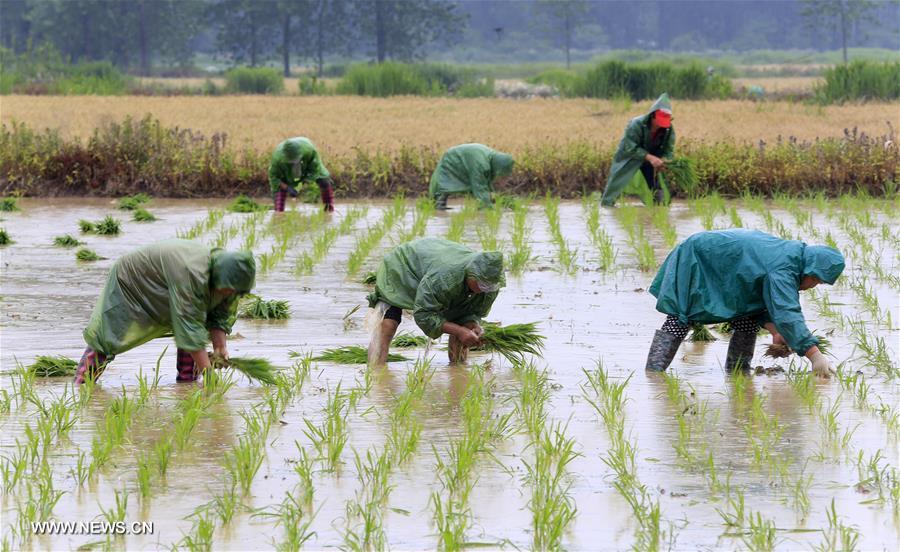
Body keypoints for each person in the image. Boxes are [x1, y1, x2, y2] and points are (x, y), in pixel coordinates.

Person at [644, 229, 845, 378]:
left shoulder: (792, 260)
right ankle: (653, 374)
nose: (813, 286)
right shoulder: (784, 268)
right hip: (700, 257)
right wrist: (814, 355)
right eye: (816, 280)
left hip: (728, 267)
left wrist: (775, 331)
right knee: (681, 317)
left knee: (746, 318)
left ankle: (738, 375)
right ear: (810, 269)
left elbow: (757, 301)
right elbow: (787, 312)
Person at [74, 239, 256, 384]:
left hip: (166, 281)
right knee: (110, 333)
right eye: (228, 290)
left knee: (193, 323)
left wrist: (220, 348)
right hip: (132, 279)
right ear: (219, 277)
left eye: (234, 292)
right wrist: (209, 375)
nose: (230, 295)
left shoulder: (230, 280)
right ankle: (81, 386)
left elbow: (220, 315)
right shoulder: (191, 274)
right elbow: (188, 326)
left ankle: (187, 383)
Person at [366, 237, 505, 366]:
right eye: (481, 284)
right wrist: (459, 330)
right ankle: (376, 375)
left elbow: (472, 313)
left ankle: (457, 373)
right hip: (404, 266)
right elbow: (423, 314)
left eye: (489, 286)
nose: (484, 289)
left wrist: (473, 326)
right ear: (471, 274)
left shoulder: (491, 286)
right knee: (389, 323)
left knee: (465, 329)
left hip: (434, 265)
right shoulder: (444, 278)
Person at [601, 93, 675, 206]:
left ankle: (658, 208)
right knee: (616, 186)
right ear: (653, 116)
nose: (662, 125)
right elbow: (630, 147)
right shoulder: (636, 124)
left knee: (658, 189)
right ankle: (607, 207)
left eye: (665, 121)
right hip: (629, 158)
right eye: (660, 121)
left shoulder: (668, 129)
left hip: (652, 161)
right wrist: (650, 158)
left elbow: (669, 150)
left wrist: (665, 161)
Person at [429, 143, 514, 210]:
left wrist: (504, 202)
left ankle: (438, 206)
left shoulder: (491, 159)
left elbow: (486, 185)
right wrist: (487, 208)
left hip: (467, 159)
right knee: (444, 183)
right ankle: (437, 205)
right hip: (452, 159)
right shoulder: (481, 164)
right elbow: (479, 188)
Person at [268, 137, 334, 213]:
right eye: (291, 161)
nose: (294, 162)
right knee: (278, 208)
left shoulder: (309, 150)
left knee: (324, 181)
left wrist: (302, 186)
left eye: (295, 159)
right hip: (285, 170)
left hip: (307, 164)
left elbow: (315, 170)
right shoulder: (277, 159)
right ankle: (278, 215)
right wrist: (288, 188)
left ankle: (329, 210)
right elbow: (274, 178)